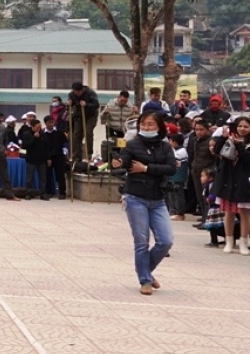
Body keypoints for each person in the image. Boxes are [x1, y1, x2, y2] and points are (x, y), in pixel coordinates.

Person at [111, 110, 176, 296]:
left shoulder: (165, 147)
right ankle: (145, 280)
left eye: (150, 124)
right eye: (143, 124)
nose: (146, 127)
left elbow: (171, 168)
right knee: (141, 241)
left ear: (159, 127)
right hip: (136, 198)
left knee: (166, 241)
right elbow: (124, 159)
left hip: (158, 199)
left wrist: (146, 168)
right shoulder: (132, 145)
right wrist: (119, 162)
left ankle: (144, 269)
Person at [212, 116, 250, 255]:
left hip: (244, 181)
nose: (242, 129)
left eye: (246, 127)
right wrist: (223, 138)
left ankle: (244, 242)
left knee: (244, 213)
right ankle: (229, 241)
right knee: (228, 212)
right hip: (227, 180)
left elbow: (248, 160)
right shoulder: (229, 139)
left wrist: (239, 145)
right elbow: (217, 151)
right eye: (240, 126)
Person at [66, 81, 100, 164]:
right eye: (75, 92)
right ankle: (76, 156)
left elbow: (96, 104)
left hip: (91, 115)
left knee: (88, 132)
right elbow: (70, 102)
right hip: (79, 115)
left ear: (82, 90)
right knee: (76, 134)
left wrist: (87, 104)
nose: (77, 94)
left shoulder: (90, 93)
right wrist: (69, 103)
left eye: (78, 92)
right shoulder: (71, 94)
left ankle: (89, 154)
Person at [21, 117, 52, 201]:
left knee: (43, 178)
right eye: (37, 127)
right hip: (31, 160)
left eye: (40, 127)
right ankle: (28, 193)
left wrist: (48, 158)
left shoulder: (43, 135)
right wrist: (34, 138)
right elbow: (26, 146)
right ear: (32, 126)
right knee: (29, 178)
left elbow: (47, 147)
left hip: (42, 160)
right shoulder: (26, 134)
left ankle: (43, 193)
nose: (39, 129)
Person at [42, 113, 68, 199]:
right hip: (47, 157)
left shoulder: (59, 132)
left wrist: (65, 151)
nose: (51, 124)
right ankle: (49, 192)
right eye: (49, 122)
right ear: (45, 123)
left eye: (52, 122)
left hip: (59, 156)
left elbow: (65, 142)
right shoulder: (43, 133)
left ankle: (62, 193)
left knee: (60, 175)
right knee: (48, 175)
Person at [165, 133, 189, 220]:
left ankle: (180, 213)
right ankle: (173, 211)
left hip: (178, 177)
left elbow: (172, 161)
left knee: (178, 195)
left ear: (175, 142)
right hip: (172, 176)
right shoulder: (174, 150)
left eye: (170, 141)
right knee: (171, 195)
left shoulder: (181, 151)